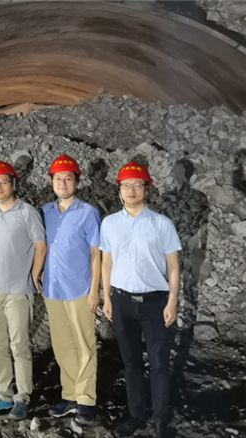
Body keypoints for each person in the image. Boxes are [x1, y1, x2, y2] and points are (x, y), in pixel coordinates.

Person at [100, 161, 181, 438]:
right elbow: (106, 262)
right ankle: (136, 415)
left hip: (155, 303)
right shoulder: (110, 223)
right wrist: (107, 297)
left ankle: (160, 420)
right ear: (119, 189)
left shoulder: (162, 224)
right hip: (122, 302)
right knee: (131, 363)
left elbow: (173, 266)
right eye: (126, 185)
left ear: (147, 188)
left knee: (159, 364)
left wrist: (172, 301)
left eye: (137, 184)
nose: (131, 190)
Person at [0, 160, 47, 420]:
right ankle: (4, 395)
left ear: (13, 184)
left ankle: (22, 397)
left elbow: (41, 246)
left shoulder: (27, 211)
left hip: (19, 291)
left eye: (3, 182)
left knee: (20, 345)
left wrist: (34, 274)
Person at [41, 155, 101, 424]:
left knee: (84, 345)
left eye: (68, 178)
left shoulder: (88, 213)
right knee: (63, 345)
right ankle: (69, 395)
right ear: (51, 181)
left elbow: (96, 253)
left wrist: (94, 290)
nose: (62, 183)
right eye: (58, 178)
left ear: (77, 181)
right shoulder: (45, 211)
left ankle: (85, 400)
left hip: (79, 288)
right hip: (52, 289)